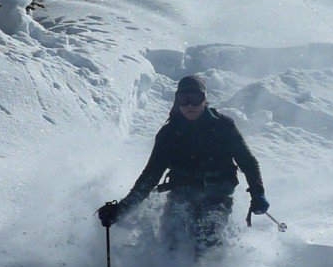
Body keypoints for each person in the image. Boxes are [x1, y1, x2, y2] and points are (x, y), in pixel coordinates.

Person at [97, 75, 269, 254]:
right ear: (177, 100)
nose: (190, 105)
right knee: (170, 243)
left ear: (204, 99)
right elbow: (150, 176)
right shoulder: (169, 134)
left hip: (216, 199)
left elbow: (248, 162)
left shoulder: (223, 127)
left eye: (195, 98)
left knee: (208, 235)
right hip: (180, 198)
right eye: (184, 99)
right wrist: (122, 208)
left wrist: (258, 193)